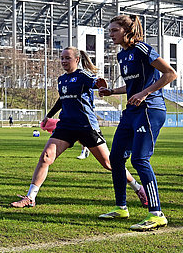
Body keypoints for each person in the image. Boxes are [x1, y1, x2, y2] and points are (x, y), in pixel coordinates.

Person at [11, 47, 147, 209]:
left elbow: (95, 81)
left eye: (67, 58)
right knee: (46, 157)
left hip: (86, 126)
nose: (63, 61)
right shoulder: (62, 79)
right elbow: (62, 100)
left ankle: (138, 188)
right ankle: (31, 197)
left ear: (77, 60)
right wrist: (49, 115)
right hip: (66, 126)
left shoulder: (83, 75)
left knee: (109, 164)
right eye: (62, 58)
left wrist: (100, 84)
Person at [98, 14, 176, 231]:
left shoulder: (142, 48)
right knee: (115, 158)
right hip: (131, 112)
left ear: (126, 30)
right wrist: (112, 91)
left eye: (114, 30)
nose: (110, 35)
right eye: (110, 31)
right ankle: (121, 207)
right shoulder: (122, 55)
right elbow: (132, 87)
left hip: (150, 110)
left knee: (140, 160)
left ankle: (157, 213)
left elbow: (170, 74)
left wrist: (145, 93)